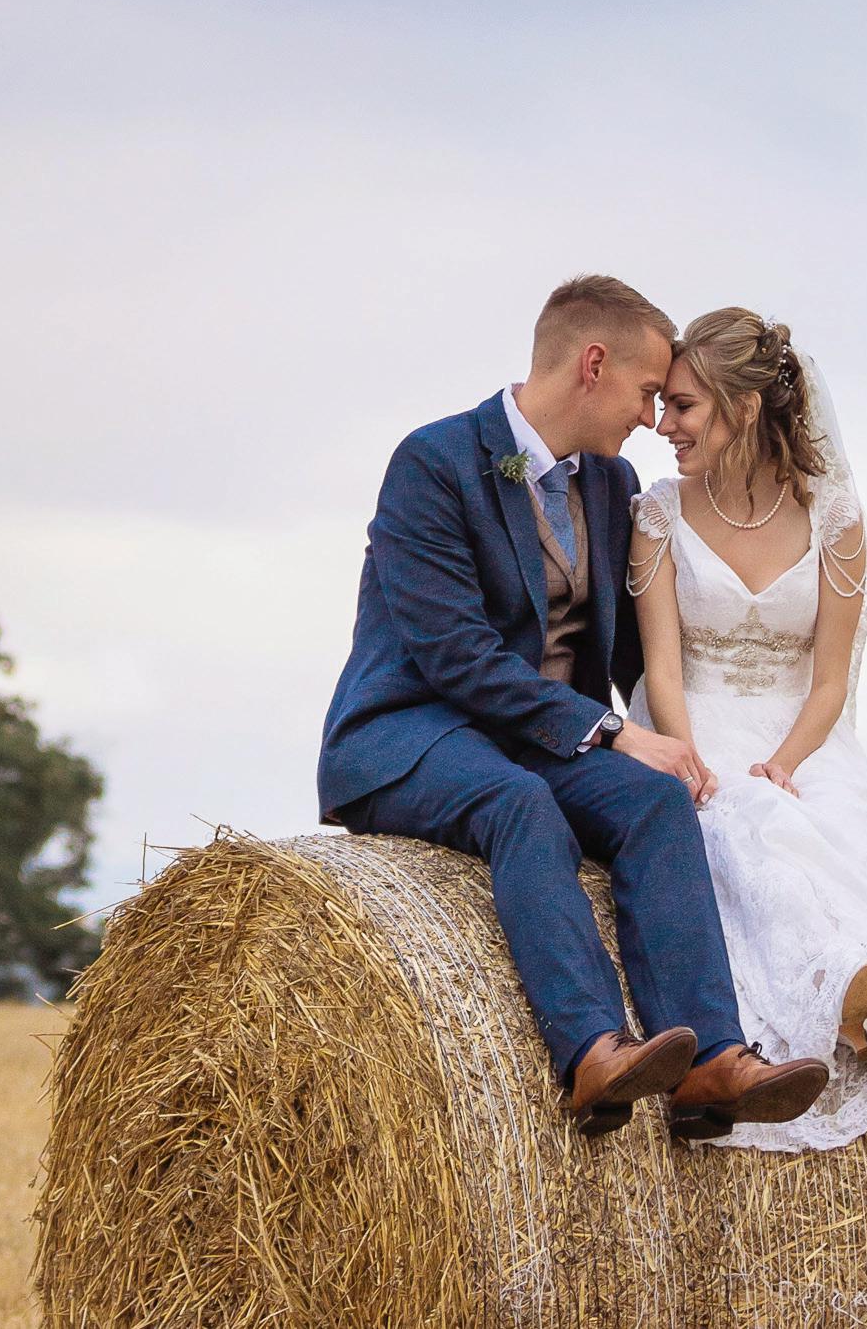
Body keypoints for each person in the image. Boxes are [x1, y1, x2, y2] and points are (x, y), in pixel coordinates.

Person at [317, 276, 829, 1141]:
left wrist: (701, 748)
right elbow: (455, 655)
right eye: (645, 392)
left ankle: (709, 1060)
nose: (651, 419)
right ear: (593, 365)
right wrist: (612, 730)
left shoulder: (609, 482)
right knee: (520, 804)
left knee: (655, 800)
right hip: (413, 732)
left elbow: (632, 651)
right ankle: (592, 1052)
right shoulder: (434, 462)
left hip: (538, 741)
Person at [623, 308, 867, 1151]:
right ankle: (847, 993)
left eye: (684, 407)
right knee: (738, 822)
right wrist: (690, 757)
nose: (664, 424)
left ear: (742, 408)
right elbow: (662, 671)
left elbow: (831, 680)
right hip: (692, 720)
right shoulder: (658, 515)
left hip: (801, 733)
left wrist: (786, 761)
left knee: (829, 823)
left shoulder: (836, 521)